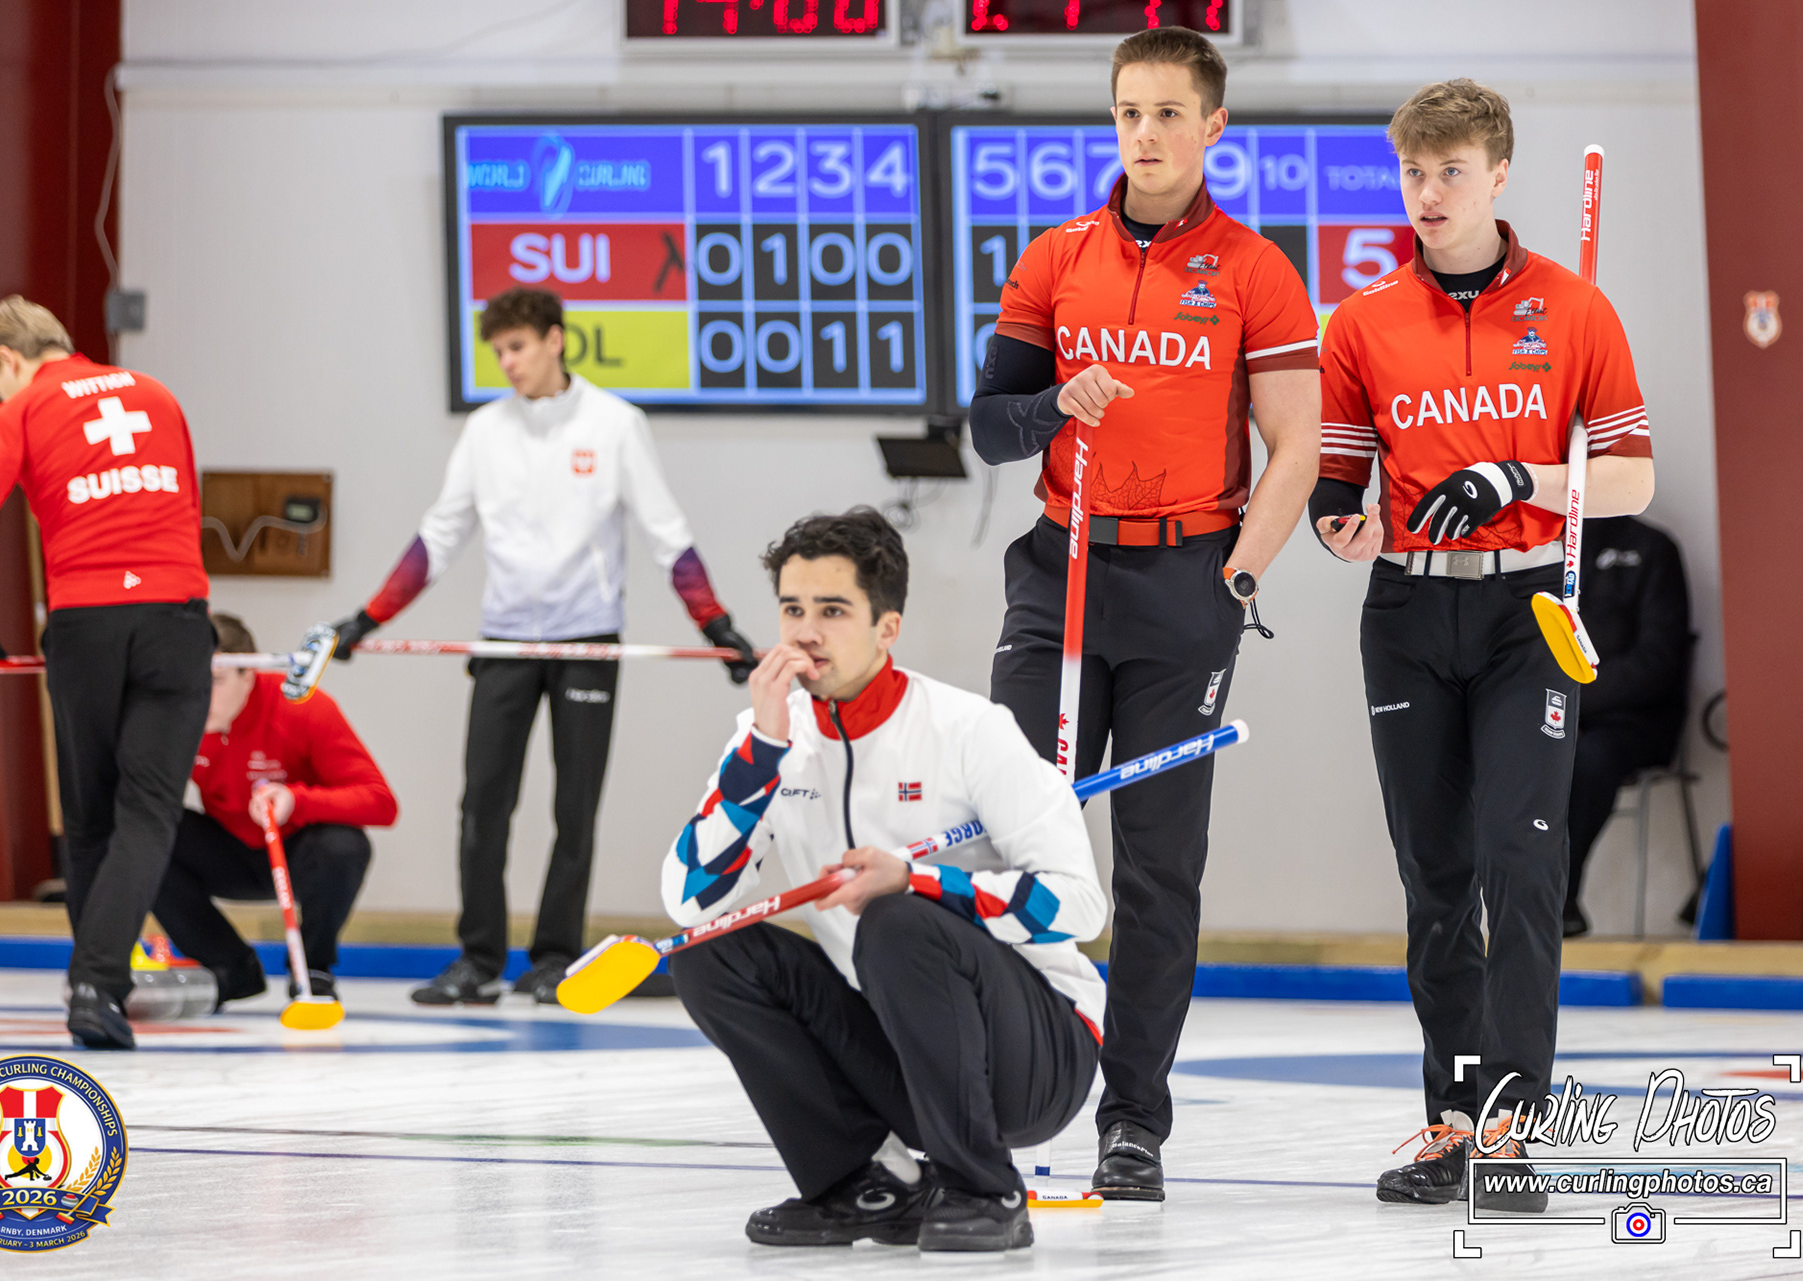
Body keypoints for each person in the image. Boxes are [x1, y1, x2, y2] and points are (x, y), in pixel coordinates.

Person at [967, 27, 1320, 1199]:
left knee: (1159, 872)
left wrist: (1239, 578)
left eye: (1169, 113)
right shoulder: (1056, 256)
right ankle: (985, 1101)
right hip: (1060, 576)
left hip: (1186, 590)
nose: (1146, 134)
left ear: (1213, 126)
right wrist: (1055, 407)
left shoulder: (1257, 271)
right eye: (1129, 112)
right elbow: (990, 425)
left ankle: (1133, 1126)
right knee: (1014, 838)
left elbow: (1298, 446)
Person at [1310, 80, 1654, 1208]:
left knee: (1521, 860)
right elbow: (1336, 478)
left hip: (1529, 613)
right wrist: (1337, 523)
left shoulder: (1575, 307)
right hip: (1408, 615)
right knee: (1437, 874)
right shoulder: (1362, 320)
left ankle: (1510, 1133)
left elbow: (1633, 477)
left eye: (1450, 171)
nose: (1428, 192)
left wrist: (1524, 478)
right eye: (1414, 172)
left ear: (1498, 175)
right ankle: (1450, 1122)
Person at [663, 508, 1106, 1253]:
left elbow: (1081, 908)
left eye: (832, 611)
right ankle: (865, 1185)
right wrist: (763, 752)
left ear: (886, 628)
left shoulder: (969, 730)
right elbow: (688, 899)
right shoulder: (771, 738)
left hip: (1037, 1054)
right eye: (792, 609)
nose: (805, 632)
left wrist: (921, 882)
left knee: (896, 919)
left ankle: (984, 1188)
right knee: (709, 949)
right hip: (900, 1045)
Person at [327, 287, 758, 1006]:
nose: (508, 363)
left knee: (574, 810)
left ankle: (555, 957)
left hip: (587, 641)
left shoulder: (616, 424)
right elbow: (439, 535)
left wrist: (716, 625)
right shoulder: (484, 431)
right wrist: (365, 619)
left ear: (555, 339)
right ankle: (477, 960)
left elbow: (667, 534)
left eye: (518, 347)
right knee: (481, 805)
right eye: (499, 351)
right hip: (504, 641)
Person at [0, 296, 213, 1050]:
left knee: (91, 817)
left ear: (9, 359)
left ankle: (94, 988)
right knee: (149, 811)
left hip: (86, 621)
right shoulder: (156, 394)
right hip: (176, 615)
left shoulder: (23, 410)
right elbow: (184, 498)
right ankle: (98, 986)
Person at [152, 612, 398, 1004]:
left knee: (344, 846)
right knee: (144, 834)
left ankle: (312, 969)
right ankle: (230, 967)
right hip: (230, 849)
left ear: (249, 674)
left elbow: (381, 802)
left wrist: (297, 800)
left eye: (215, 680)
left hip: (297, 850)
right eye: (190, 679)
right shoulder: (176, 718)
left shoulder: (302, 707)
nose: (199, 693)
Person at [1564, 516, 1693, 936]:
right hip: (1557, 715)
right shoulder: (1543, 546)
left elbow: (1659, 661)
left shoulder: (1652, 548)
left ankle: (1557, 900)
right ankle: (1499, 899)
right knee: (1495, 750)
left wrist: (1575, 701)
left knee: (1586, 758)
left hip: (1635, 720)